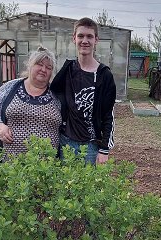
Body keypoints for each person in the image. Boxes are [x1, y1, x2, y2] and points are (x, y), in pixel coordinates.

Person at [50, 17, 116, 165]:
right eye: (80, 36)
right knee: (65, 187)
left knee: (89, 187)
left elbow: (108, 114)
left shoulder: (104, 75)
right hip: (65, 142)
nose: (84, 40)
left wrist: (104, 149)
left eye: (89, 36)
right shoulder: (67, 70)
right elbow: (52, 96)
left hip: (91, 146)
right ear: (74, 38)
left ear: (96, 40)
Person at [0, 46, 62, 158]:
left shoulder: (57, 94)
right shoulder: (11, 87)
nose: (43, 70)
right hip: (11, 167)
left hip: (46, 168)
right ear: (30, 65)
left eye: (48, 67)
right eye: (39, 64)